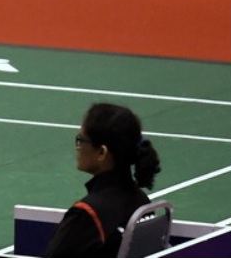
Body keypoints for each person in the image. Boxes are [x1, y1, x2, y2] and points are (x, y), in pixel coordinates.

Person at [44, 103, 162, 257]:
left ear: (101, 152)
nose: (77, 148)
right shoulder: (142, 202)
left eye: (81, 140)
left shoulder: (87, 214)